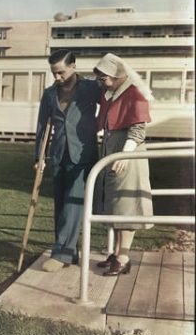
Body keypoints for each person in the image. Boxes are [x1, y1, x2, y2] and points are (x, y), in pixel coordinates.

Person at [35, 49, 101, 272]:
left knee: (73, 202)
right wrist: (39, 157)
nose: (57, 77)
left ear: (73, 66)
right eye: (54, 73)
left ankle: (61, 253)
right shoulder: (49, 93)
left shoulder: (92, 88)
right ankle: (69, 252)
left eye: (61, 72)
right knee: (61, 204)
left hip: (83, 154)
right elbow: (43, 127)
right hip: (58, 153)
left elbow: (112, 102)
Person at [93, 53, 153, 276]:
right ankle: (117, 252)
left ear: (117, 76)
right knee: (115, 203)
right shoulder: (112, 93)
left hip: (127, 152)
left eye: (104, 78)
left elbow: (138, 130)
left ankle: (124, 257)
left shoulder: (133, 95)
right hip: (112, 148)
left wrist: (125, 155)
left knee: (126, 204)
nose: (101, 82)